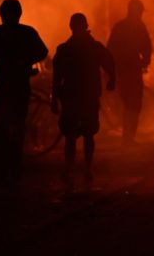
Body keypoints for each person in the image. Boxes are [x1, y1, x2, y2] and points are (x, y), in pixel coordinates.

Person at [0, 0, 48, 180]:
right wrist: (25, 60)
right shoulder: (27, 32)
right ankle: (13, 162)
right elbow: (42, 52)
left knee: (7, 122)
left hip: (7, 83)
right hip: (17, 83)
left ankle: (6, 162)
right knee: (15, 123)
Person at [51, 14, 116, 187]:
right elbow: (57, 76)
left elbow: (109, 63)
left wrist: (55, 97)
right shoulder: (79, 48)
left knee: (81, 135)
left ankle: (78, 167)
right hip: (80, 96)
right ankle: (80, 167)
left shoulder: (68, 49)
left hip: (78, 96)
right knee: (80, 135)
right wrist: (112, 79)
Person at [107, 0, 152, 146]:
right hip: (132, 69)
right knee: (134, 104)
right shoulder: (139, 26)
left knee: (126, 103)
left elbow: (110, 48)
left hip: (121, 70)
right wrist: (145, 62)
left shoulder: (119, 26)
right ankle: (128, 137)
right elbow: (147, 46)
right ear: (137, 11)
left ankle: (127, 137)